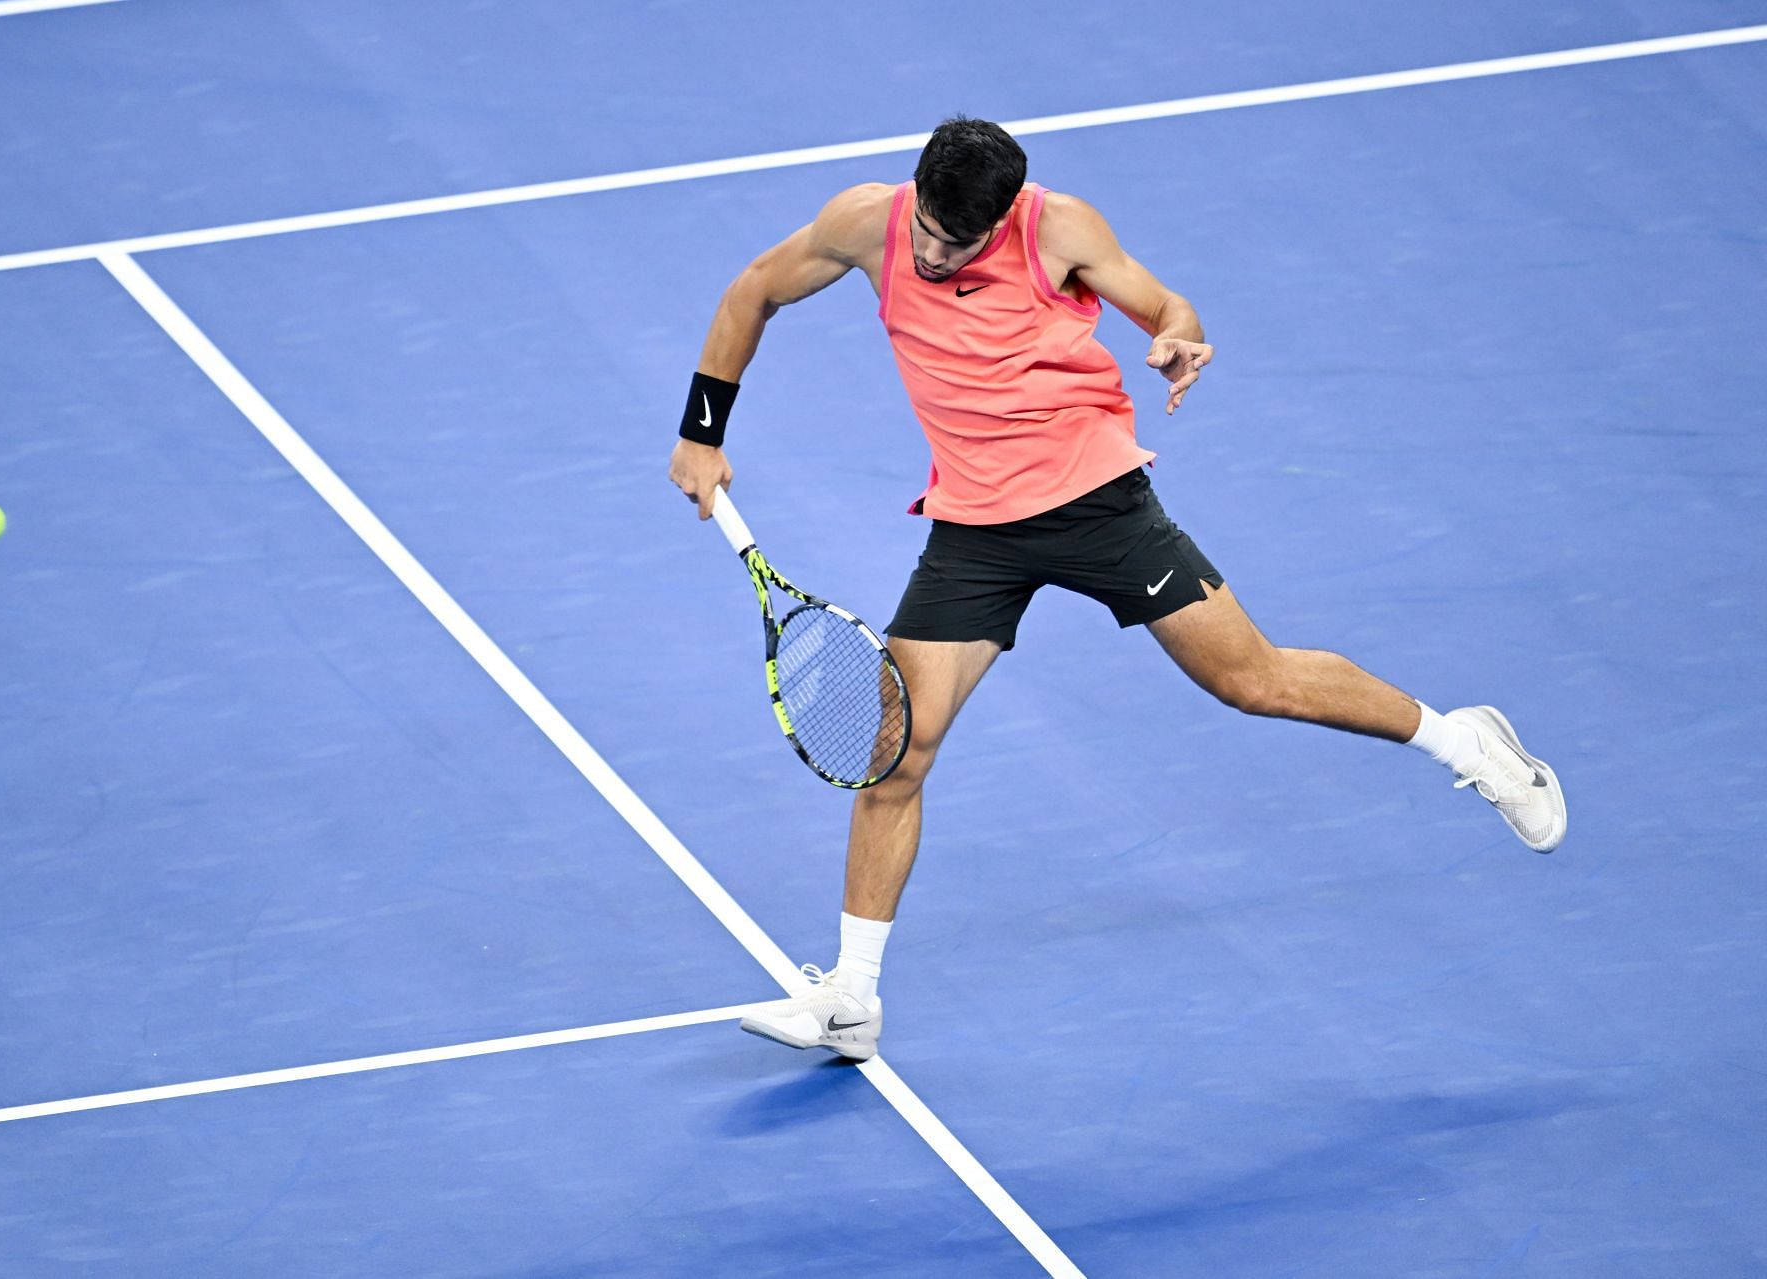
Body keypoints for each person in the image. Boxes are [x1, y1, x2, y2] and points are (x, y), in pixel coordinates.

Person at [668, 116, 1565, 1062]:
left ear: (1003, 216)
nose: (931, 253)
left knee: (1251, 679)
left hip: (1098, 502)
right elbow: (753, 291)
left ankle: (1467, 740)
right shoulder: (866, 223)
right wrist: (701, 429)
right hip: (974, 527)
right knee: (899, 748)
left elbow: (1169, 307)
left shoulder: (1059, 229)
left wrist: (1179, 342)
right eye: (927, 227)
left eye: (956, 242)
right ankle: (851, 995)